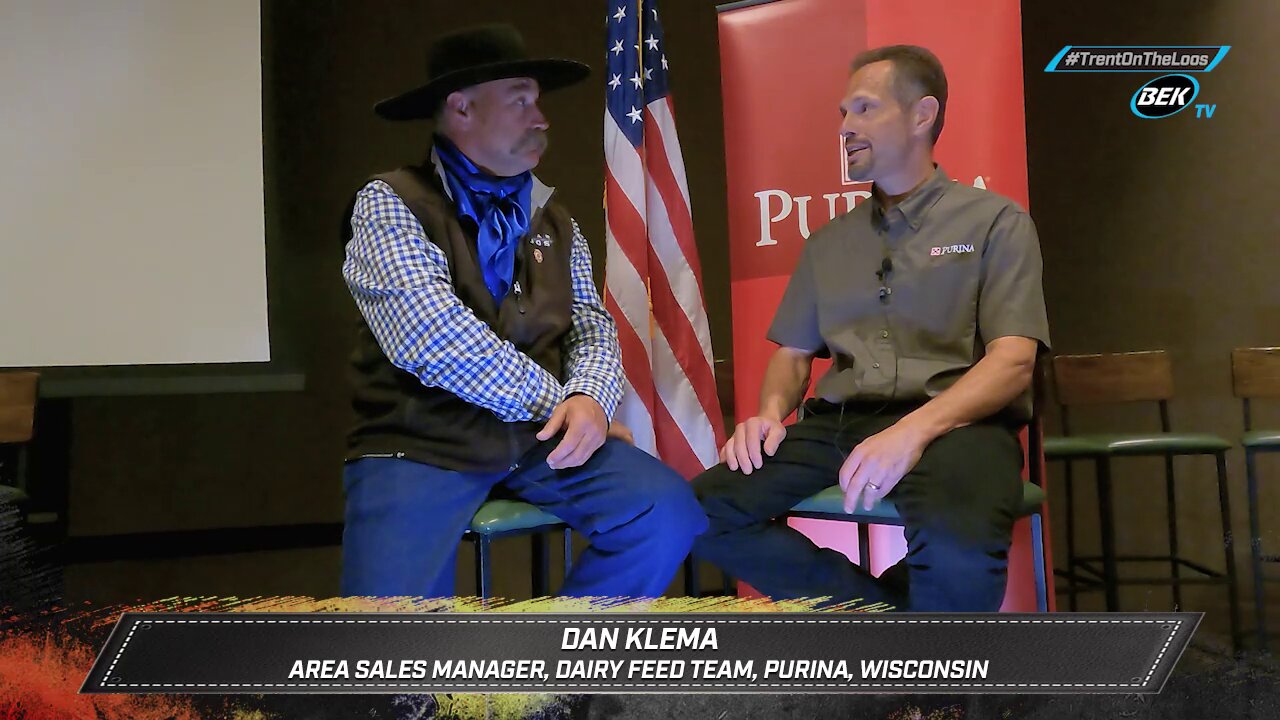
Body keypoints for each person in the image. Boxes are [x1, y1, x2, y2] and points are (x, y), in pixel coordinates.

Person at [340, 24, 705, 598]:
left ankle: (545, 679)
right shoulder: (390, 202)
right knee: (389, 657)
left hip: (538, 440)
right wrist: (566, 405)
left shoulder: (555, 218)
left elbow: (590, 326)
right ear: (462, 109)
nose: (542, 118)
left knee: (665, 513)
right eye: (521, 101)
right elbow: (432, 340)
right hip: (422, 445)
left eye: (538, 100)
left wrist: (591, 397)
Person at [691, 45, 1050, 611]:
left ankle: (927, 688)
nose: (845, 128)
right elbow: (793, 353)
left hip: (958, 427)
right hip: (838, 423)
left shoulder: (996, 223)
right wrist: (766, 415)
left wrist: (914, 431)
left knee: (958, 550)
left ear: (921, 115)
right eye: (843, 113)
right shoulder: (828, 242)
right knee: (698, 513)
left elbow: (1013, 362)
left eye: (863, 109)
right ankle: (879, 633)